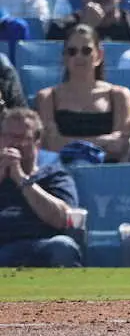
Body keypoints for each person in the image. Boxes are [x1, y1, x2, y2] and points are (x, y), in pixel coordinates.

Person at [35, 23, 130, 162]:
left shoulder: (119, 95)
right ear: (65, 57)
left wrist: (68, 143)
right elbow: (51, 145)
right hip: (62, 172)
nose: (79, 56)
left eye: (86, 51)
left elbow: (119, 146)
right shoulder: (47, 97)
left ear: (99, 55)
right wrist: (104, 141)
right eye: (72, 51)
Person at [0, 107, 81, 267]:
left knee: (63, 247)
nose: (14, 143)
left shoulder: (53, 175)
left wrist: (22, 179)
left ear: (37, 141)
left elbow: (62, 219)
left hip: (42, 243)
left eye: (21, 137)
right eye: (7, 136)